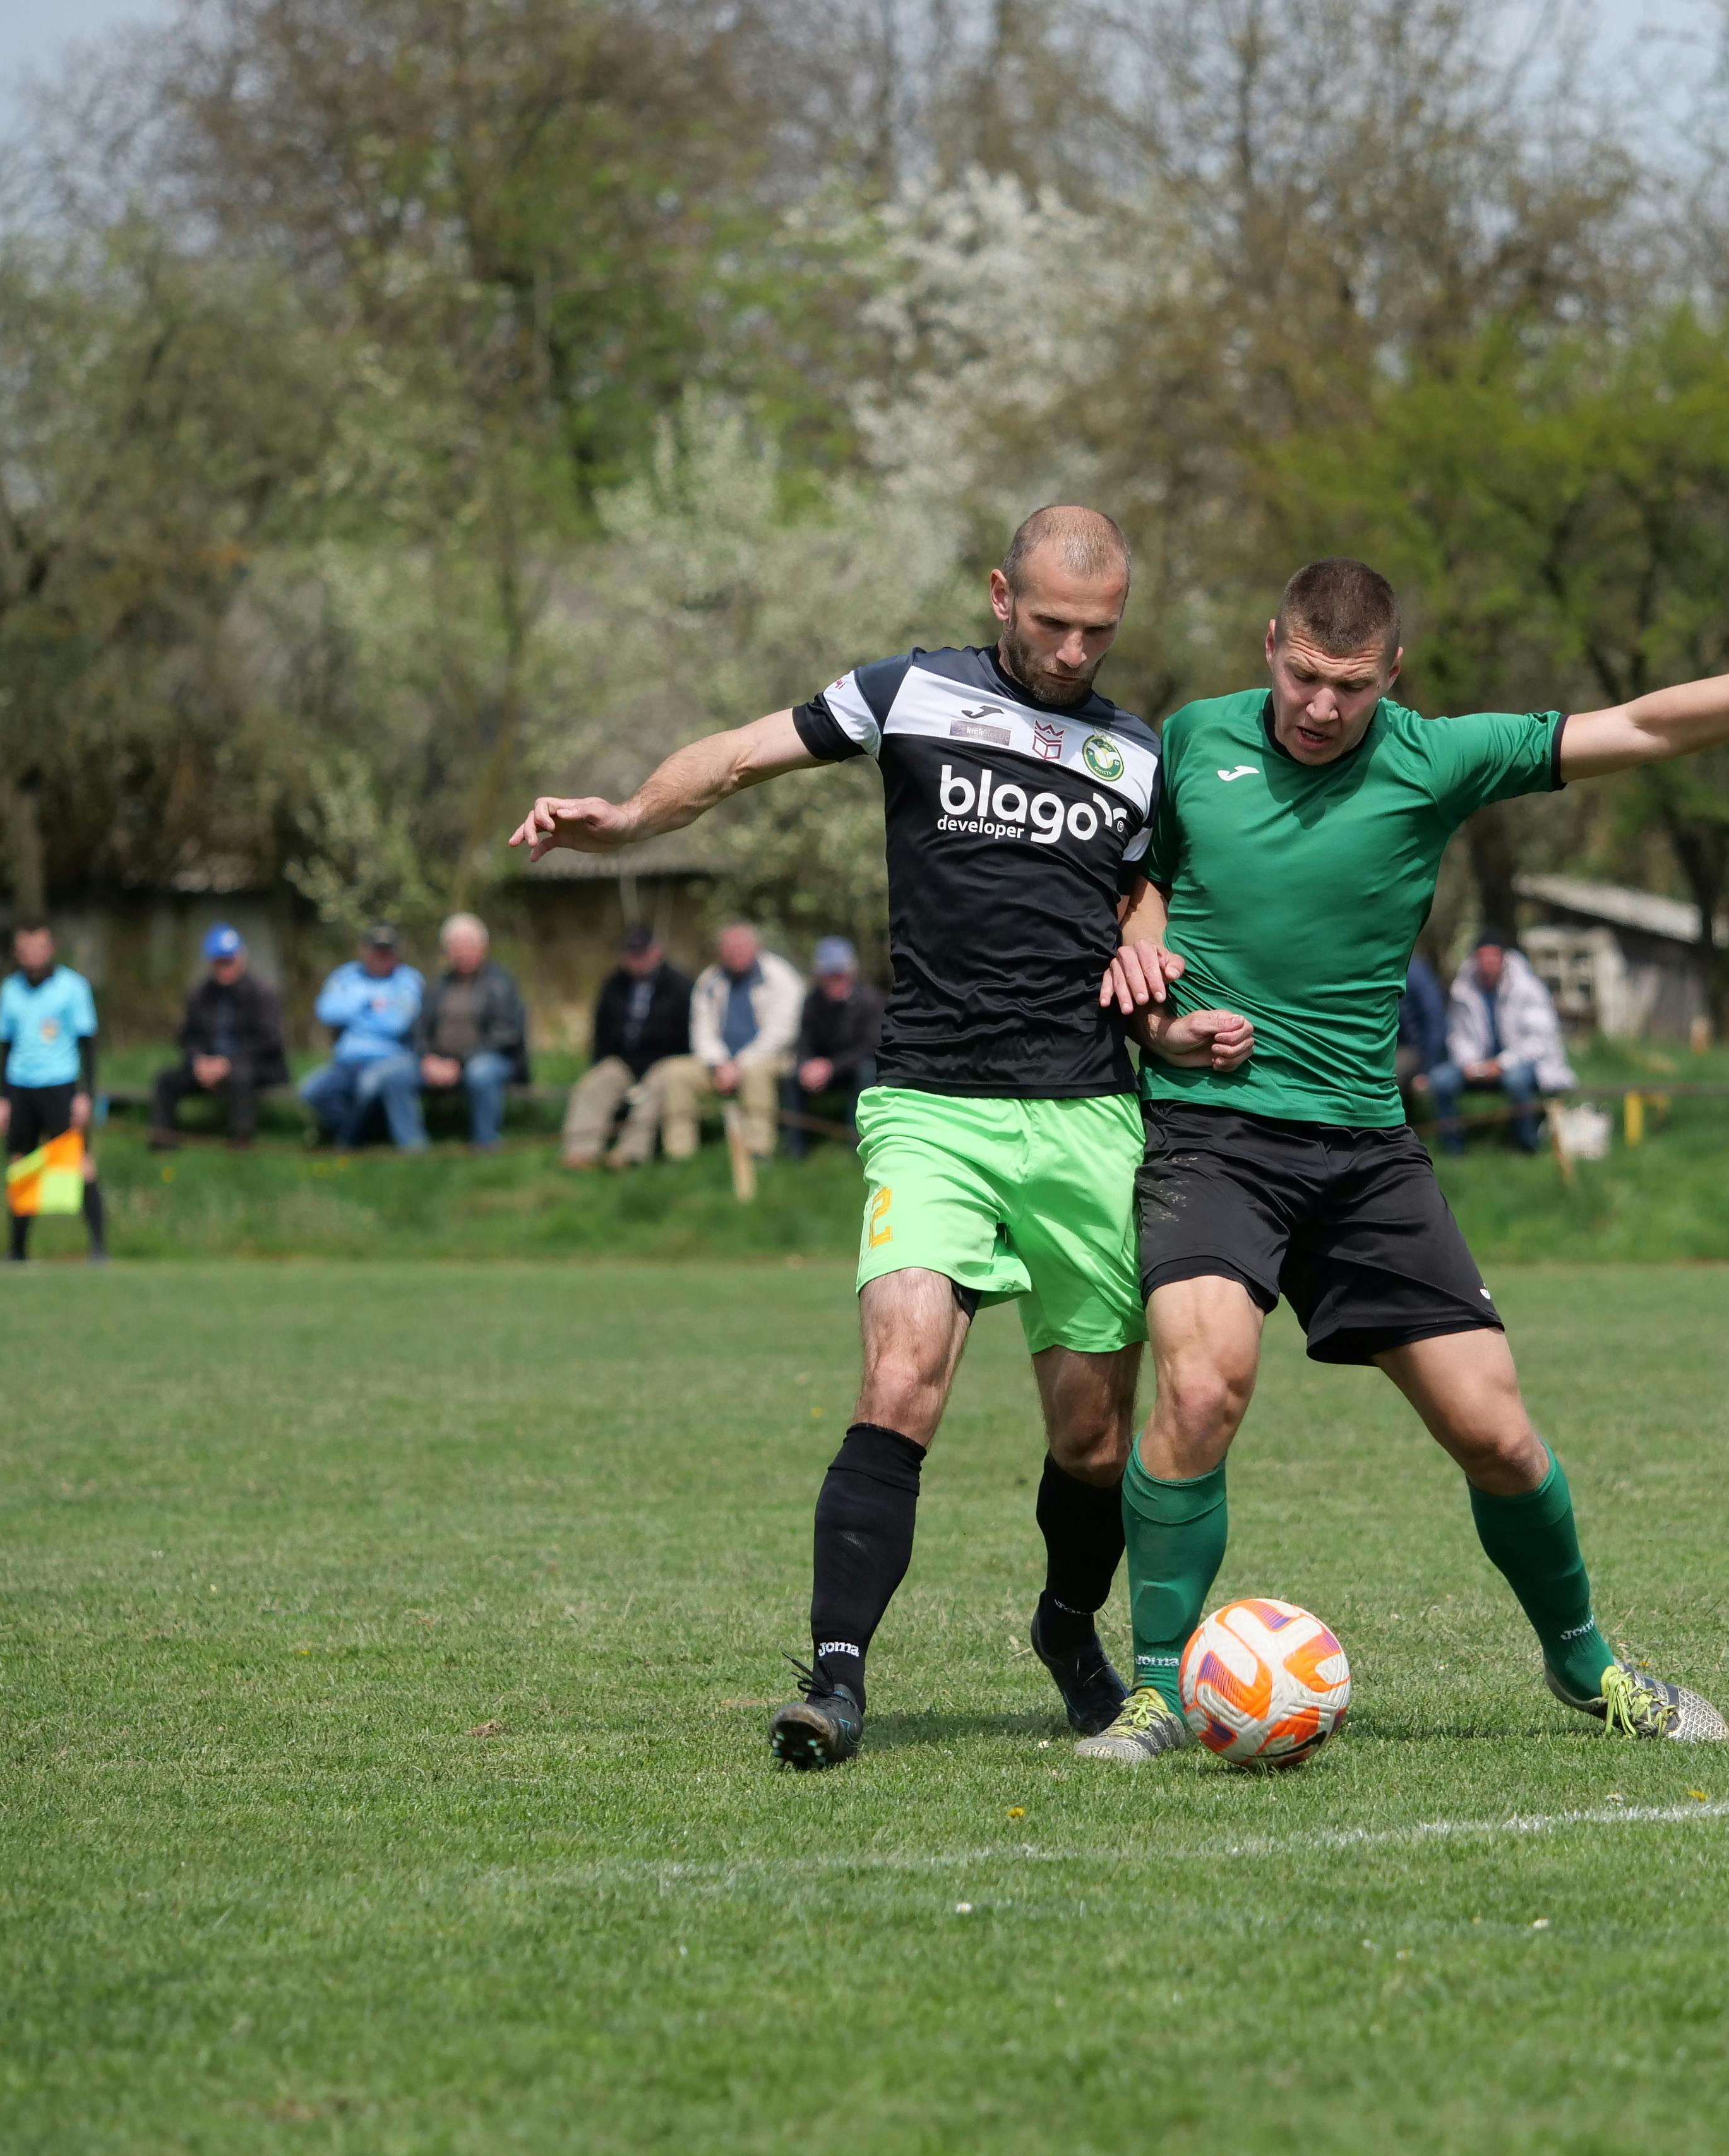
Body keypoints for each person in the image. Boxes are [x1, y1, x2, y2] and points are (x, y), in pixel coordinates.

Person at [1083, 557, 1729, 1762]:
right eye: (1304, 675)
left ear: (1394, 677)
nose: (1322, 706)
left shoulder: (1434, 758)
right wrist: (1154, 991)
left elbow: (1638, 724)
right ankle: (1162, 1690)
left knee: (1494, 1434)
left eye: (1352, 685)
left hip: (1364, 1146)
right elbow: (1146, 884)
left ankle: (1585, 1665)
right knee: (1203, 1385)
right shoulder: (1192, 739)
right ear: (1269, 643)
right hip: (1212, 1127)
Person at [513, 505, 1250, 1770]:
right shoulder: (906, 694)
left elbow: (1151, 898)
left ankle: (1067, 1626)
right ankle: (837, 1680)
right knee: (899, 1380)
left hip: (1085, 1113)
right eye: (1054, 623)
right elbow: (744, 755)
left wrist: (1155, 973)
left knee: (1092, 1439)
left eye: (1101, 630)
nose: (1077, 651)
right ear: (1000, 596)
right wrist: (632, 820)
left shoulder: (1139, 755)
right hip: (931, 1107)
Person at [0, 921, 107, 1263]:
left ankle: (99, 1248)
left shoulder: (73, 988)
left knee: (79, 1163)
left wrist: (85, 1094)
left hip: (61, 1086)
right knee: (21, 1166)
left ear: (51, 948)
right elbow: (5, 1047)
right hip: (21, 1088)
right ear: (17, 952)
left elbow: (88, 1046)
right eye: (26, 948)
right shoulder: (10, 990)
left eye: (39, 947)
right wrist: (1, 1098)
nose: (33, 955)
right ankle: (17, 1251)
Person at [563, 925, 702, 1168]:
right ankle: (581, 1153)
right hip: (624, 1061)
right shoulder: (613, 986)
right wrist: (602, 1062)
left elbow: (690, 1035)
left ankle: (630, 1154)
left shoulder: (680, 986)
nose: (636, 960)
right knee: (594, 1085)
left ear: (656, 952)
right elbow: (600, 1031)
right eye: (631, 954)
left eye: (641, 953)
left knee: (657, 1087)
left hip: (664, 1062)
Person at [1430, 930, 1575, 1154]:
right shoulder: (1463, 990)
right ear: (1476, 959)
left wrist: (1502, 1064)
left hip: (1520, 1064)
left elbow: (1539, 1041)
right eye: (1483, 957)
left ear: (1503, 958)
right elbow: (1458, 1035)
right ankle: (1453, 1149)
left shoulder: (1528, 988)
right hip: (1477, 1066)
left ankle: (1526, 1146)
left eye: (1493, 957)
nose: (1488, 963)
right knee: (1440, 1080)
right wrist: (1468, 1062)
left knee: (1516, 1080)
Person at [148, 926, 290, 1149]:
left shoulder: (262, 993)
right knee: (165, 1079)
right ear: (210, 962)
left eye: (229, 960)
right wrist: (199, 1061)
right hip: (208, 1066)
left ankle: (240, 1141)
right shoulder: (200, 995)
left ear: (241, 957)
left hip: (254, 1066)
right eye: (219, 961)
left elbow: (270, 1041)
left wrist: (228, 1063)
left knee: (241, 1075)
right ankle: (164, 1142)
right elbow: (188, 1037)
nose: (224, 967)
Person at [302, 923, 426, 1151]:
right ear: (364, 950)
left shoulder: (409, 979)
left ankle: (347, 1145)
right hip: (347, 1062)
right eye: (376, 949)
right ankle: (363, 1135)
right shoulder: (345, 975)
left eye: (388, 950)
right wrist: (368, 1003)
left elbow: (396, 1024)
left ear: (397, 952)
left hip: (390, 1060)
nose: (382, 956)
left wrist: (353, 1013)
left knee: (367, 1087)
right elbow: (327, 1012)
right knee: (312, 1091)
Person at [414, 913, 530, 1152]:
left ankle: (485, 1144)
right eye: (456, 946)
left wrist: (460, 1062)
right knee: (395, 1075)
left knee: (481, 1073)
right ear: (446, 951)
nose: (462, 952)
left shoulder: (501, 983)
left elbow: (507, 1034)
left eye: (469, 945)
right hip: (440, 1062)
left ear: (483, 948)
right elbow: (419, 1029)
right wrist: (427, 1058)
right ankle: (412, 1148)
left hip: (494, 1061)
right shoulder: (438, 985)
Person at [691, 921, 801, 1163]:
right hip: (721, 1064)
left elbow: (782, 1032)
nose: (735, 952)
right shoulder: (710, 979)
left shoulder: (779, 976)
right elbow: (702, 1029)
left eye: (741, 946)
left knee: (756, 1073)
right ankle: (681, 1156)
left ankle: (759, 1150)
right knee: (674, 1075)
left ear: (756, 947)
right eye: (729, 948)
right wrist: (719, 1063)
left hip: (773, 1058)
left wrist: (739, 1064)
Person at [787, 938, 883, 1157]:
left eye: (839, 973)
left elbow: (871, 1046)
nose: (834, 979)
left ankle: (857, 1141)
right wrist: (805, 1066)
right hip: (826, 1068)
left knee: (867, 1072)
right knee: (792, 1078)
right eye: (827, 974)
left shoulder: (870, 1000)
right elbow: (804, 1041)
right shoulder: (812, 1001)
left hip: (855, 1066)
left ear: (851, 972)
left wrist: (831, 1066)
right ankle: (796, 1149)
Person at [1394, 950, 1449, 1120]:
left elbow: (1435, 1021)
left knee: (1391, 1075)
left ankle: (1394, 1134)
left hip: (1412, 1049)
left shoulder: (1416, 971)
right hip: (1383, 1047)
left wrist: (1427, 1068)